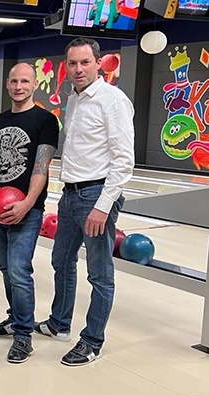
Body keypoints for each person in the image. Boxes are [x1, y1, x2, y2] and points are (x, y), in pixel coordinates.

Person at [36, 37, 134, 366]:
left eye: (85, 63)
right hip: (71, 194)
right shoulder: (74, 99)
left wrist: (104, 205)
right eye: (73, 64)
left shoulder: (112, 100)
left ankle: (92, 340)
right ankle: (59, 324)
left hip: (96, 195)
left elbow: (123, 160)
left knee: (100, 273)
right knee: (61, 262)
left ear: (98, 62)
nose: (78, 69)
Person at [0, 63, 59, 364]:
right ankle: (15, 319)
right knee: (4, 269)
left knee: (19, 270)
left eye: (24, 81)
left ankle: (24, 335)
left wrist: (27, 204)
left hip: (28, 209)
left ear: (34, 84)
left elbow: (42, 167)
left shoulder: (45, 120)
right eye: (14, 81)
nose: (18, 86)